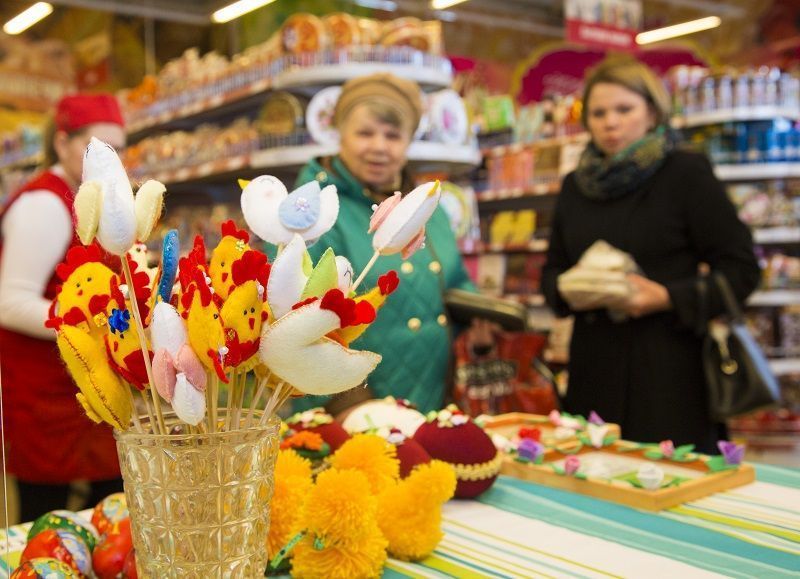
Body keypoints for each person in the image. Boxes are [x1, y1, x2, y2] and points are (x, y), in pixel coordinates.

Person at [542, 57, 760, 453]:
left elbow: (742, 269)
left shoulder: (684, 173)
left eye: (625, 109)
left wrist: (666, 297)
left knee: (672, 480)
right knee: (593, 475)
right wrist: (570, 289)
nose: (611, 123)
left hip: (670, 376)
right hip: (593, 372)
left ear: (653, 112)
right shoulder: (576, 185)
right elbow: (552, 270)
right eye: (599, 113)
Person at [292, 72, 477, 418]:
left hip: (435, 394)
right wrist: (345, 402)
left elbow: (455, 281)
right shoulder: (314, 211)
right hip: (352, 409)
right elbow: (296, 315)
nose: (379, 146)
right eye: (365, 133)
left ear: (408, 142)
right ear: (340, 133)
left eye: (393, 135)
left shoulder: (429, 210)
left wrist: (486, 316)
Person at [0, 93, 127, 521]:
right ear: (61, 143)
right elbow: (10, 302)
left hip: (81, 390)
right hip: (46, 397)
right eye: (96, 148)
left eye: (118, 149)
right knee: (47, 518)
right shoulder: (45, 205)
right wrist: (97, 322)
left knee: (106, 512)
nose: (110, 161)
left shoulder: (89, 199)